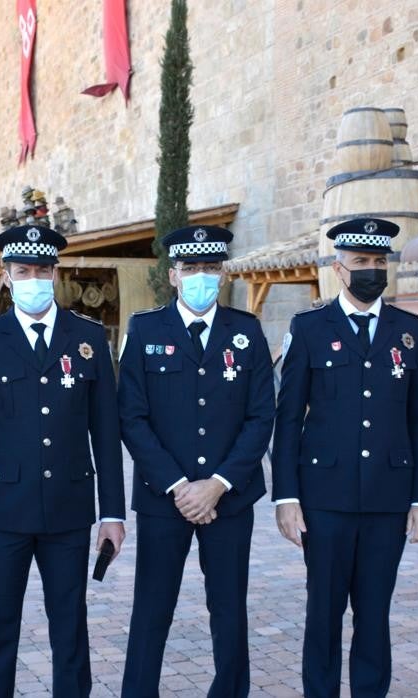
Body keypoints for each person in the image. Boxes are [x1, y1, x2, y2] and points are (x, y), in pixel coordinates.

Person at [0, 224, 126, 697]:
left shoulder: (87, 337)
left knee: (70, 630)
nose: (33, 278)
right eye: (23, 270)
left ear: (56, 274)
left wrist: (112, 513)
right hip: (2, 513)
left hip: (68, 512)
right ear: (7, 276)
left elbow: (106, 435)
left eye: (42, 270)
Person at [271, 218, 418, 698]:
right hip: (324, 499)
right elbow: (288, 420)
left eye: (378, 261)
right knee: (322, 611)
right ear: (339, 269)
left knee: (374, 612)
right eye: (360, 262)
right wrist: (287, 496)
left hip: (388, 499)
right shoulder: (308, 328)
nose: (370, 270)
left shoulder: (409, 331)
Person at [118, 225, 274, 697]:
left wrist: (219, 483)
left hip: (230, 497)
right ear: (173, 275)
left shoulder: (246, 331)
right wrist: (180, 486)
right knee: (152, 609)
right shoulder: (144, 330)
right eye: (191, 268)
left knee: (229, 609)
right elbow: (132, 416)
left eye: (210, 268)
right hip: (165, 498)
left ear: (222, 273)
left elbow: (261, 414)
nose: (201, 277)